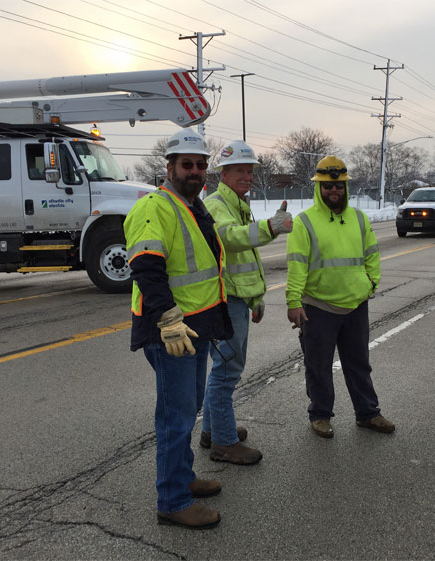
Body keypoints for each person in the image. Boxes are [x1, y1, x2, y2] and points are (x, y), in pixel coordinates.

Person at [123, 129, 233, 530]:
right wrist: (169, 320)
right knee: (175, 418)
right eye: (186, 164)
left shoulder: (191, 205)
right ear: (168, 167)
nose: (195, 171)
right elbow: (147, 270)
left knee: (188, 409)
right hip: (171, 332)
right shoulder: (155, 206)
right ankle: (172, 500)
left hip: (194, 328)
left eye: (201, 165)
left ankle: (183, 478)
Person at [285, 155, 395, 439]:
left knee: (358, 363)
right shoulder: (305, 222)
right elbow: (297, 264)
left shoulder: (358, 218)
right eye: (327, 186)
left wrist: (370, 284)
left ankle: (368, 413)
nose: (333, 191)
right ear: (318, 188)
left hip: (355, 305)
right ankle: (320, 415)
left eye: (339, 186)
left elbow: (371, 254)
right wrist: (293, 302)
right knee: (318, 366)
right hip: (319, 306)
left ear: (346, 187)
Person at [200, 140, 293, 464]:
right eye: (240, 170)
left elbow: (245, 259)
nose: (247, 176)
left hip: (238, 298)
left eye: (250, 170)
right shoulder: (216, 206)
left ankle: (212, 431)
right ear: (223, 173)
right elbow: (230, 239)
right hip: (227, 300)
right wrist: (270, 227)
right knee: (227, 370)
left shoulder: (237, 204)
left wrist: (256, 298)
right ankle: (224, 443)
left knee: (223, 369)